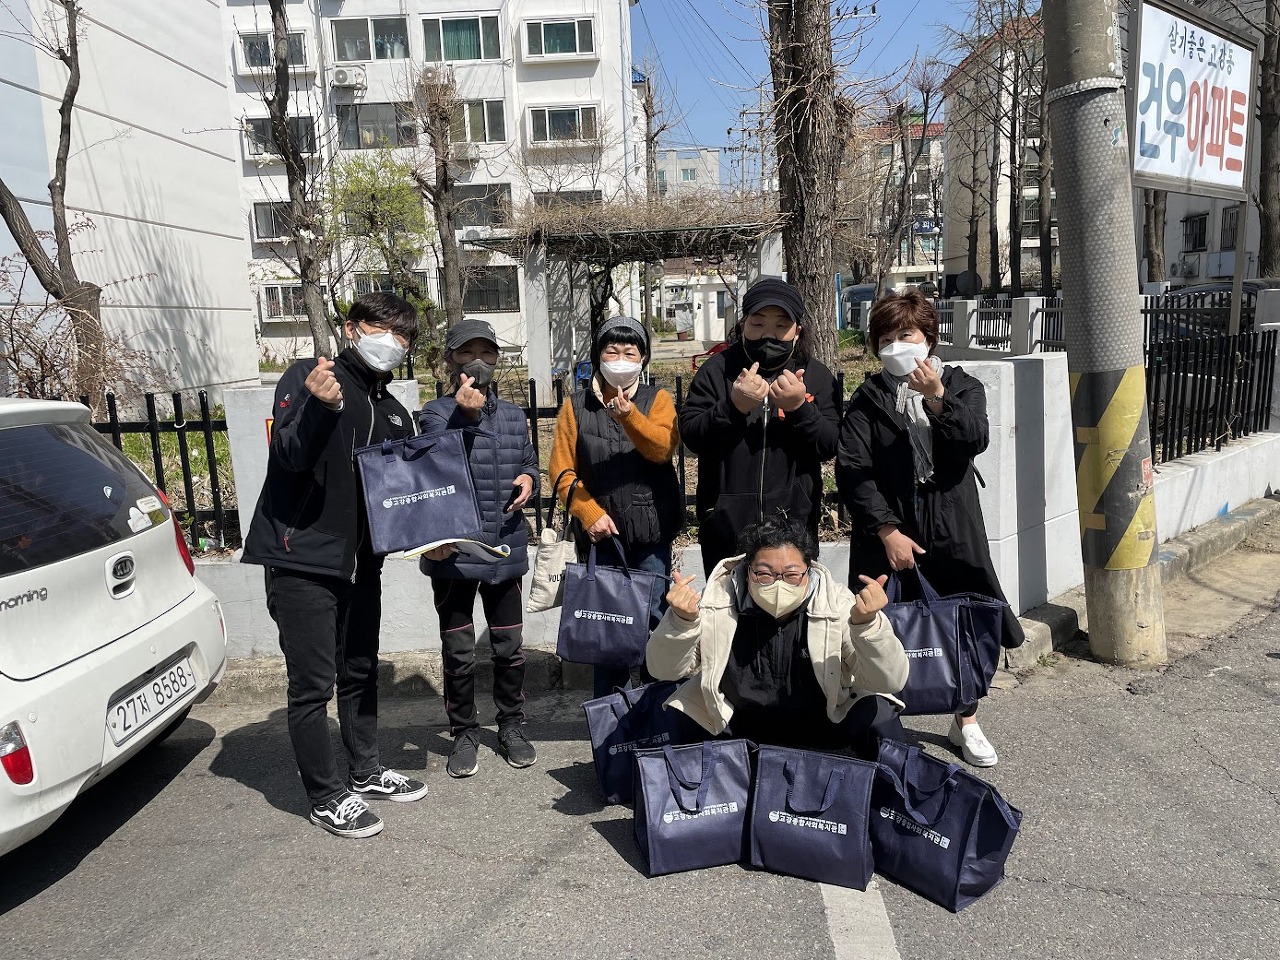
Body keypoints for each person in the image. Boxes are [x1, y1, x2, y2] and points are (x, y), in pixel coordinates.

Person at [242, 292, 428, 839]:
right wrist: (320, 407)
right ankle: (325, 795)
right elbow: (289, 454)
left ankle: (365, 771)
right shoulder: (311, 378)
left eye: (402, 335)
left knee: (361, 669)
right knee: (312, 685)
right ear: (351, 329)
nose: (390, 342)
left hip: (362, 564)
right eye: (379, 328)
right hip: (303, 559)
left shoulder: (393, 411)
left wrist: (431, 537)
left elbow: (404, 494)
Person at [835, 289, 1025, 768]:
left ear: (928, 338)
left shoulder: (961, 385)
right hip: (887, 533)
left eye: (906, 335)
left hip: (952, 526)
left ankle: (966, 721)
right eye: (886, 339)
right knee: (882, 626)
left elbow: (974, 439)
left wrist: (937, 399)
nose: (896, 346)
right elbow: (853, 470)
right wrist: (886, 530)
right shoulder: (867, 399)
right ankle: (885, 722)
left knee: (960, 623)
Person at [645, 516, 908, 759]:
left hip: (822, 721)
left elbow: (889, 680)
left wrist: (867, 625)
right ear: (747, 571)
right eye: (764, 573)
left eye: (792, 574)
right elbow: (664, 670)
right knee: (676, 711)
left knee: (879, 713)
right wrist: (681, 621)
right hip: (737, 723)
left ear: (809, 572)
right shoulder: (717, 602)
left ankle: (885, 789)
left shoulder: (838, 603)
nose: (778, 584)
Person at [418, 319, 540, 779]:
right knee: (459, 651)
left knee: (508, 646)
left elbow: (528, 459)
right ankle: (464, 731)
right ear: (451, 359)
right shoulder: (435, 412)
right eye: (467, 352)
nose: (478, 361)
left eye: (487, 352)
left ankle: (511, 724)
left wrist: (529, 478)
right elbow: (432, 462)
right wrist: (465, 416)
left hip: (505, 546)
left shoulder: (513, 415)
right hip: (453, 553)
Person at [549, 316, 682, 697]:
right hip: (600, 539)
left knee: (655, 621)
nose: (620, 359)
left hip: (651, 532)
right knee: (607, 631)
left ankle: (657, 708)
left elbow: (662, 449)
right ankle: (611, 712)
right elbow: (561, 470)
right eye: (612, 351)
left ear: (643, 359)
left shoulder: (658, 400)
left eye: (630, 352)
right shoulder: (576, 406)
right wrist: (588, 513)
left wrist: (629, 417)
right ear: (598, 356)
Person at [680, 277, 842, 575]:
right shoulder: (717, 370)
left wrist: (799, 408)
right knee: (729, 604)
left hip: (794, 529)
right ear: (743, 325)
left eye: (781, 325)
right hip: (725, 528)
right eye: (758, 324)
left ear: (797, 331)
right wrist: (734, 406)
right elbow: (692, 436)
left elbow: (829, 444)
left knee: (789, 601)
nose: (769, 334)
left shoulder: (815, 375)